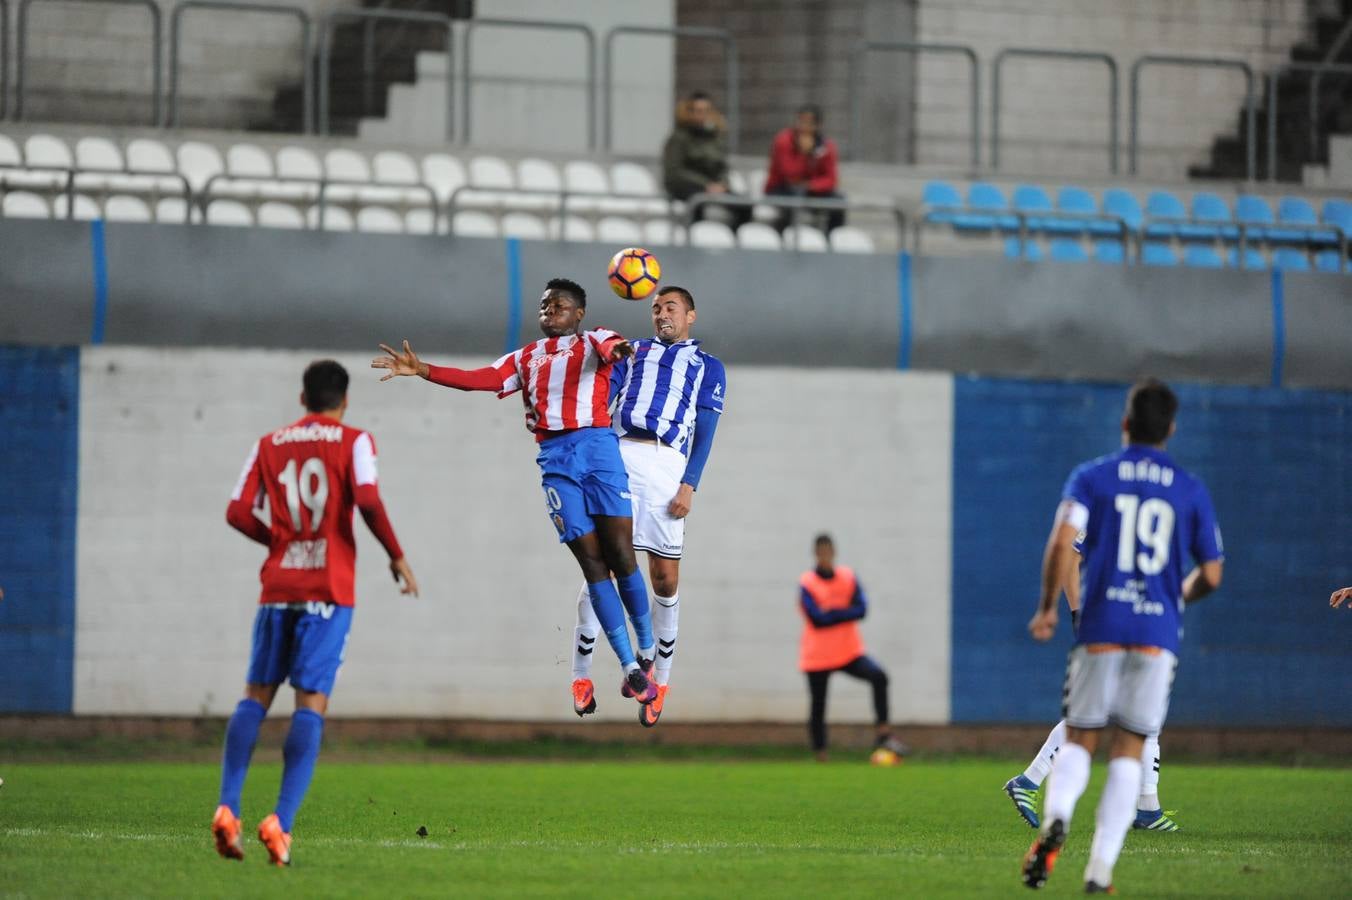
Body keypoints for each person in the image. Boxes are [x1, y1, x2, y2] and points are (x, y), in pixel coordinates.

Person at [371, 278, 659, 707]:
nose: (550, 309)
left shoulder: (594, 339)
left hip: (598, 450)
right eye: (545, 305)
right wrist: (424, 370)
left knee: (621, 554)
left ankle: (648, 647)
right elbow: (480, 379)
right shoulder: (525, 357)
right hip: (555, 460)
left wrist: (619, 351)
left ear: (579, 314)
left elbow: (615, 347)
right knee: (592, 563)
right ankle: (629, 666)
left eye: (559, 304)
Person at [1020, 379, 1223, 894]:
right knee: (1130, 748)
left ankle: (1056, 818)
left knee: (1082, 738)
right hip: (1157, 631)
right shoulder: (1189, 487)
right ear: (1171, 430)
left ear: (1125, 424)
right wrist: (1177, 596)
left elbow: (1063, 542)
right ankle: (1099, 870)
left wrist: (1047, 608)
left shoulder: (1093, 477)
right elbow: (1213, 574)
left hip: (1101, 624)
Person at [213, 360, 418, 867]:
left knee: (255, 697)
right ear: (343, 401)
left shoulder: (269, 443)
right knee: (310, 704)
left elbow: (237, 511)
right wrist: (395, 554)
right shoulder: (355, 441)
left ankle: (228, 807)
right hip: (328, 589)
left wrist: (279, 542)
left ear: (302, 398)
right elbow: (367, 499)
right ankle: (280, 822)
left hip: (278, 585)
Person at [568, 285, 726, 727]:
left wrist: (689, 484)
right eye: (655, 308)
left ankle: (661, 681)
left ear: (690, 316)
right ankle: (581, 676)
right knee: (602, 564)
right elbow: (604, 394)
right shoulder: (633, 352)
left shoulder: (708, 367)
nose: (661, 314)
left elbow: (706, 430)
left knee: (664, 577)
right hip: (620, 454)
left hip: (667, 463)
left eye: (670, 307)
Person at [1004, 545, 1180, 833]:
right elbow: (1071, 556)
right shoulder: (1110, 504)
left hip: (1136, 621)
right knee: (1099, 712)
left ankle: (1148, 806)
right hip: (1112, 623)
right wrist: (1077, 613)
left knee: (1135, 711)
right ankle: (1031, 783)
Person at [798, 534, 908, 762]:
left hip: (848, 651)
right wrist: (843, 612)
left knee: (879, 677)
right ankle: (820, 752)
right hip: (817, 655)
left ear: (834, 552)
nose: (826, 556)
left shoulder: (848, 577)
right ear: (816, 554)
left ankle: (883, 734)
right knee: (818, 705)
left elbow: (861, 609)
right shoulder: (807, 582)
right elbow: (817, 619)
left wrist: (833, 613)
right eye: (822, 552)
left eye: (829, 551)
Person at [662, 91, 750, 228]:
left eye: (706, 111)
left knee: (744, 205)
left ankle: (735, 238)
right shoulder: (679, 139)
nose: (702, 115)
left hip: (713, 187)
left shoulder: (714, 138)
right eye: (698, 111)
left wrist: (722, 184)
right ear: (689, 113)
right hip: (688, 187)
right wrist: (705, 185)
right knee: (698, 203)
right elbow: (674, 171)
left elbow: (722, 166)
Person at [763, 104, 844, 234]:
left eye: (809, 123)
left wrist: (811, 185)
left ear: (818, 125)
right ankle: (783, 237)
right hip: (781, 188)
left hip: (810, 189)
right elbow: (789, 174)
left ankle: (831, 239)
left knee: (838, 201)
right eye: (801, 121)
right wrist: (804, 154)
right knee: (793, 199)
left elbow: (831, 179)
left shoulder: (826, 146)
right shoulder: (783, 140)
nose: (804, 127)